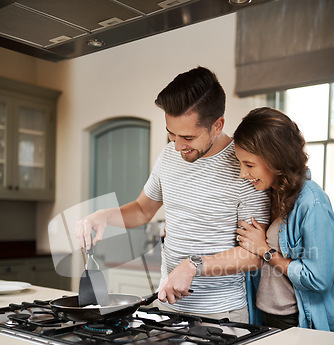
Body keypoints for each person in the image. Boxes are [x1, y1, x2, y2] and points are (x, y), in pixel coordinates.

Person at [75, 67, 270, 321]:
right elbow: (143, 209)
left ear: (217, 126)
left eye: (188, 137)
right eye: (171, 133)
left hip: (222, 314)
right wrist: (103, 216)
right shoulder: (170, 155)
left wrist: (193, 266)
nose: (177, 146)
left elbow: (252, 256)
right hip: (167, 308)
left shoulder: (246, 168)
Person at [234, 107, 334, 331]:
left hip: (296, 320)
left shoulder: (313, 202)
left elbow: (319, 278)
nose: (243, 174)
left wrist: (265, 251)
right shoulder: (269, 193)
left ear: (275, 159)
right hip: (263, 315)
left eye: (249, 165)